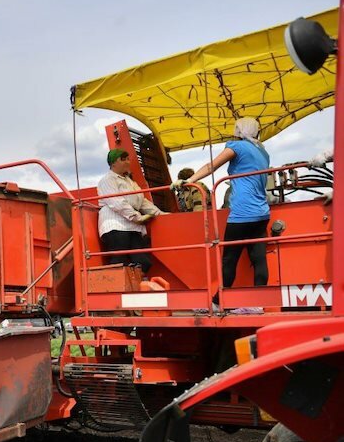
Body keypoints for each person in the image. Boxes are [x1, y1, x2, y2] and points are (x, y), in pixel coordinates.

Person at [181, 117, 270, 314]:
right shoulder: (263, 151)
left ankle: (217, 302)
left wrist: (188, 181)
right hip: (262, 212)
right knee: (258, 258)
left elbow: (211, 166)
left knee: (229, 259)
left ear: (239, 130)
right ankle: (258, 303)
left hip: (242, 212)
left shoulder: (236, 147)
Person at [97, 148, 166, 274]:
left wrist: (162, 215)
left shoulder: (130, 182)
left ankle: (135, 285)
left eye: (128, 159)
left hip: (133, 225)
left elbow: (142, 202)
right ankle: (117, 288)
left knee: (144, 261)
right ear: (113, 163)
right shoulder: (107, 180)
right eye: (123, 159)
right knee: (119, 259)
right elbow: (116, 202)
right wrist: (136, 217)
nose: (128, 162)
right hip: (115, 225)